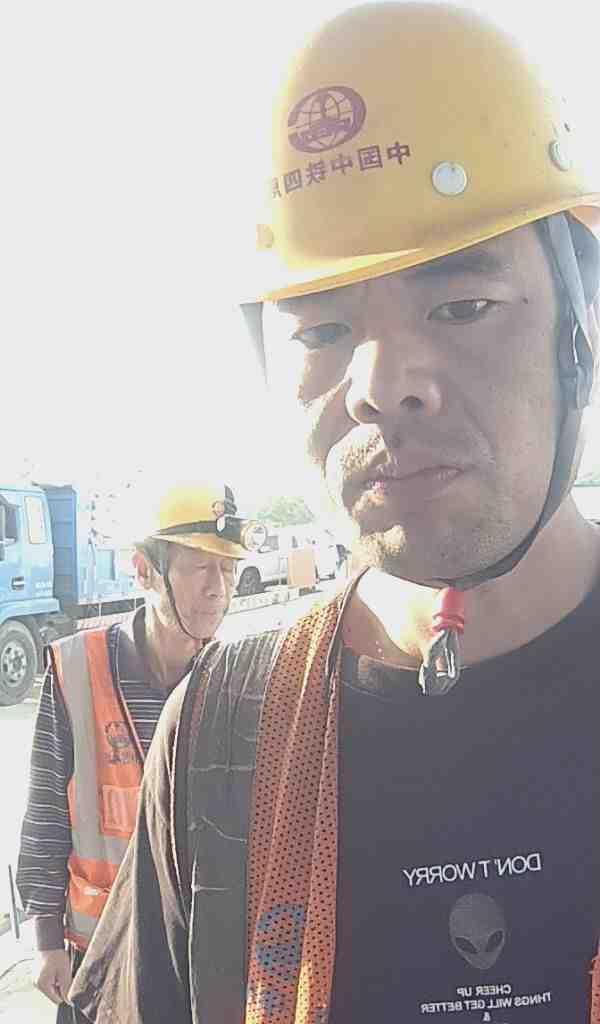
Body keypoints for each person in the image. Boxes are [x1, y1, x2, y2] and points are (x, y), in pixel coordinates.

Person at [69, 5, 600, 1022]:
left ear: (579, 326)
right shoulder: (223, 735)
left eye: (462, 306)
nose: (381, 385)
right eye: (320, 330)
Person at [17, 481, 253, 1021]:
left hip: (197, 955)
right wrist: (46, 938)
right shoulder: (76, 669)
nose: (218, 588)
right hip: (97, 953)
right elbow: (46, 815)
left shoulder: (237, 680)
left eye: (228, 570)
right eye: (201, 568)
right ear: (144, 570)